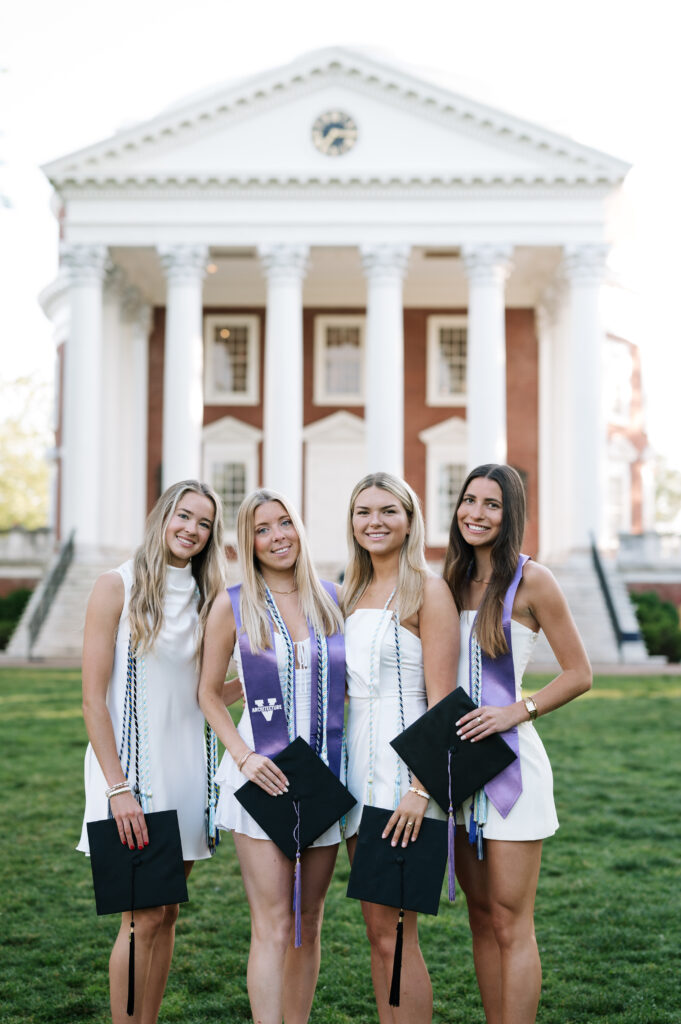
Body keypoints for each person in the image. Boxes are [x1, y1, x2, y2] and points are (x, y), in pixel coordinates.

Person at [443, 463, 592, 1024]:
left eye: (492, 505)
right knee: (480, 917)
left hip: (512, 772)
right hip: (459, 766)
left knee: (511, 920)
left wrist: (516, 710)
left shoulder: (534, 582)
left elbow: (578, 673)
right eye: (469, 501)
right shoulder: (448, 580)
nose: (476, 514)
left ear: (511, 516)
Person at [78, 479, 227, 1024]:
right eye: (183, 516)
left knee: (165, 912)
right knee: (139, 917)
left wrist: (274, 680)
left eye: (204, 523)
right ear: (163, 516)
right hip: (130, 777)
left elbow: (203, 692)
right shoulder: (114, 586)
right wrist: (118, 789)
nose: (191, 529)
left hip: (187, 769)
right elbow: (93, 699)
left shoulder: (211, 597)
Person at [198, 488, 346, 1024]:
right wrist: (242, 756)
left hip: (324, 776)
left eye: (284, 523)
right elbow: (209, 692)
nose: (278, 535)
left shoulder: (332, 598)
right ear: (249, 542)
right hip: (260, 776)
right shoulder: (233, 604)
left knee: (309, 920)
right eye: (263, 529)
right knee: (274, 924)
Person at [342, 472, 459, 1024]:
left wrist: (420, 787)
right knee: (376, 929)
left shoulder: (428, 590)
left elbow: (444, 705)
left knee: (395, 934)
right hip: (352, 775)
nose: (375, 522)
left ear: (410, 519)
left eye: (388, 511)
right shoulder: (347, 591)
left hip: (403, 777)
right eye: (364, 512)